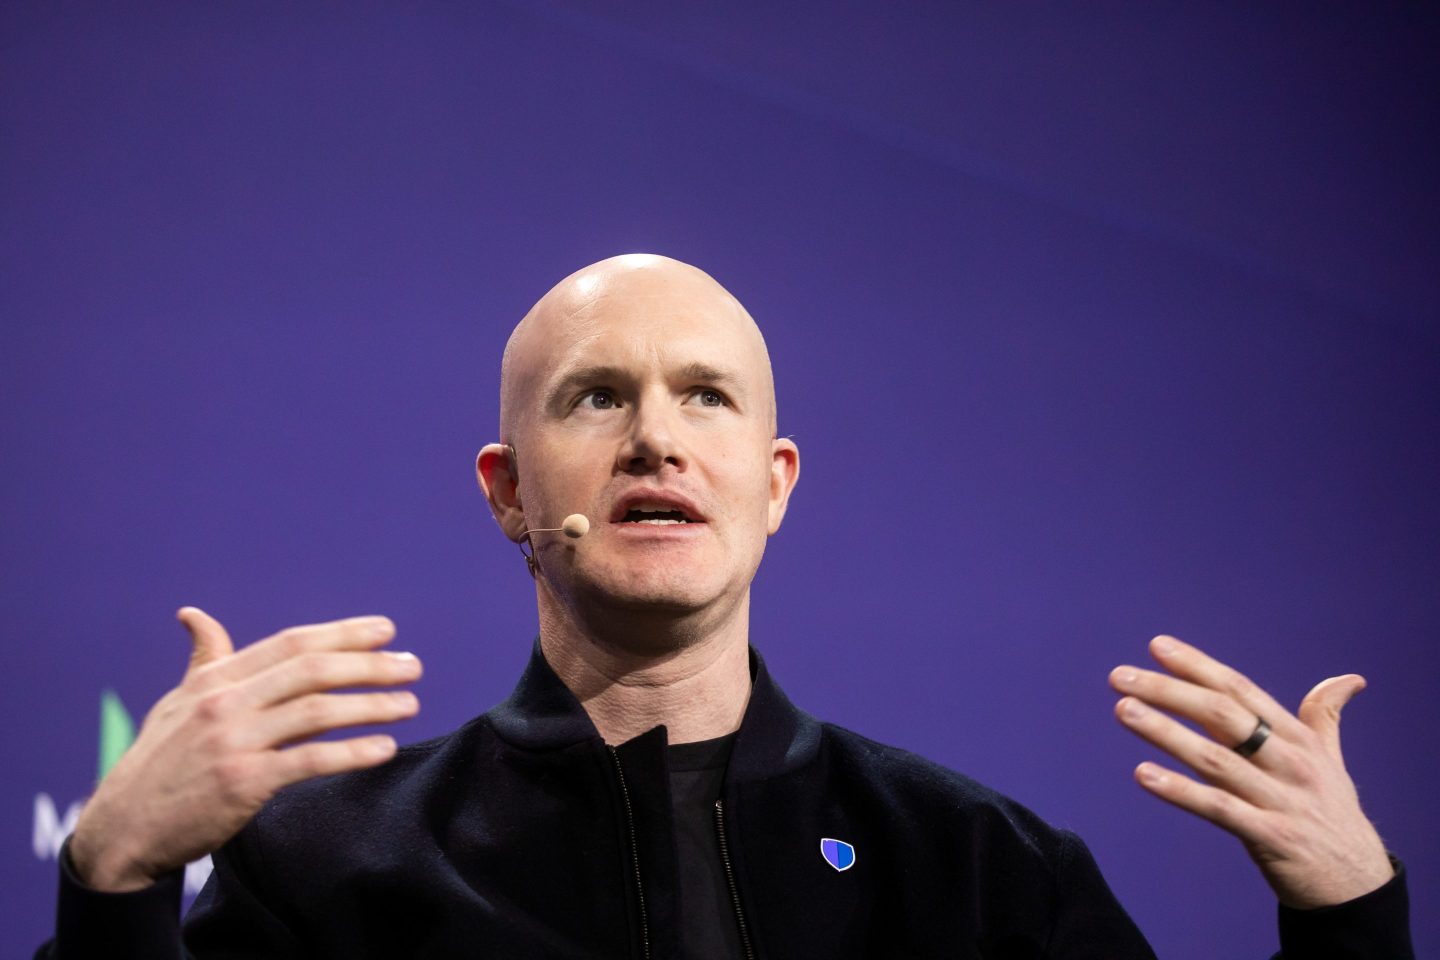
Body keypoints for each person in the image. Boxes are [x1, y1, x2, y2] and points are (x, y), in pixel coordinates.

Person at [38, 255, 1412, 958]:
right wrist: (113, 885)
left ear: (775, 483)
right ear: (508, 491)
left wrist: (1351, 918)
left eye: (706, 396)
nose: (655, 439)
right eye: (597, 397)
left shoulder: (984, 871)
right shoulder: (327, 867)